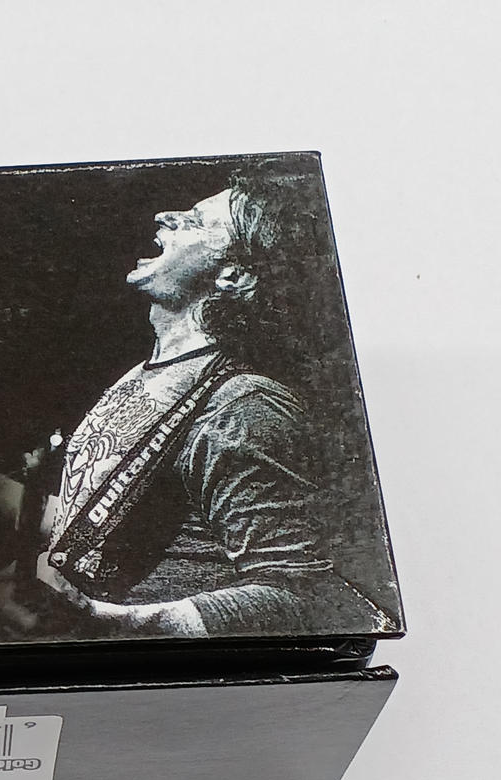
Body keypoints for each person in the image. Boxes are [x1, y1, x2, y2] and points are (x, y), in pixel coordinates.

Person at [25, 167, 392, 639]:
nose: (165, 216)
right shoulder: (148, 373)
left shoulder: (244, 406)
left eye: (195, 221)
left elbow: (299, 593)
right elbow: (91, 525)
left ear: (232, 275)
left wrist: (107, 620)